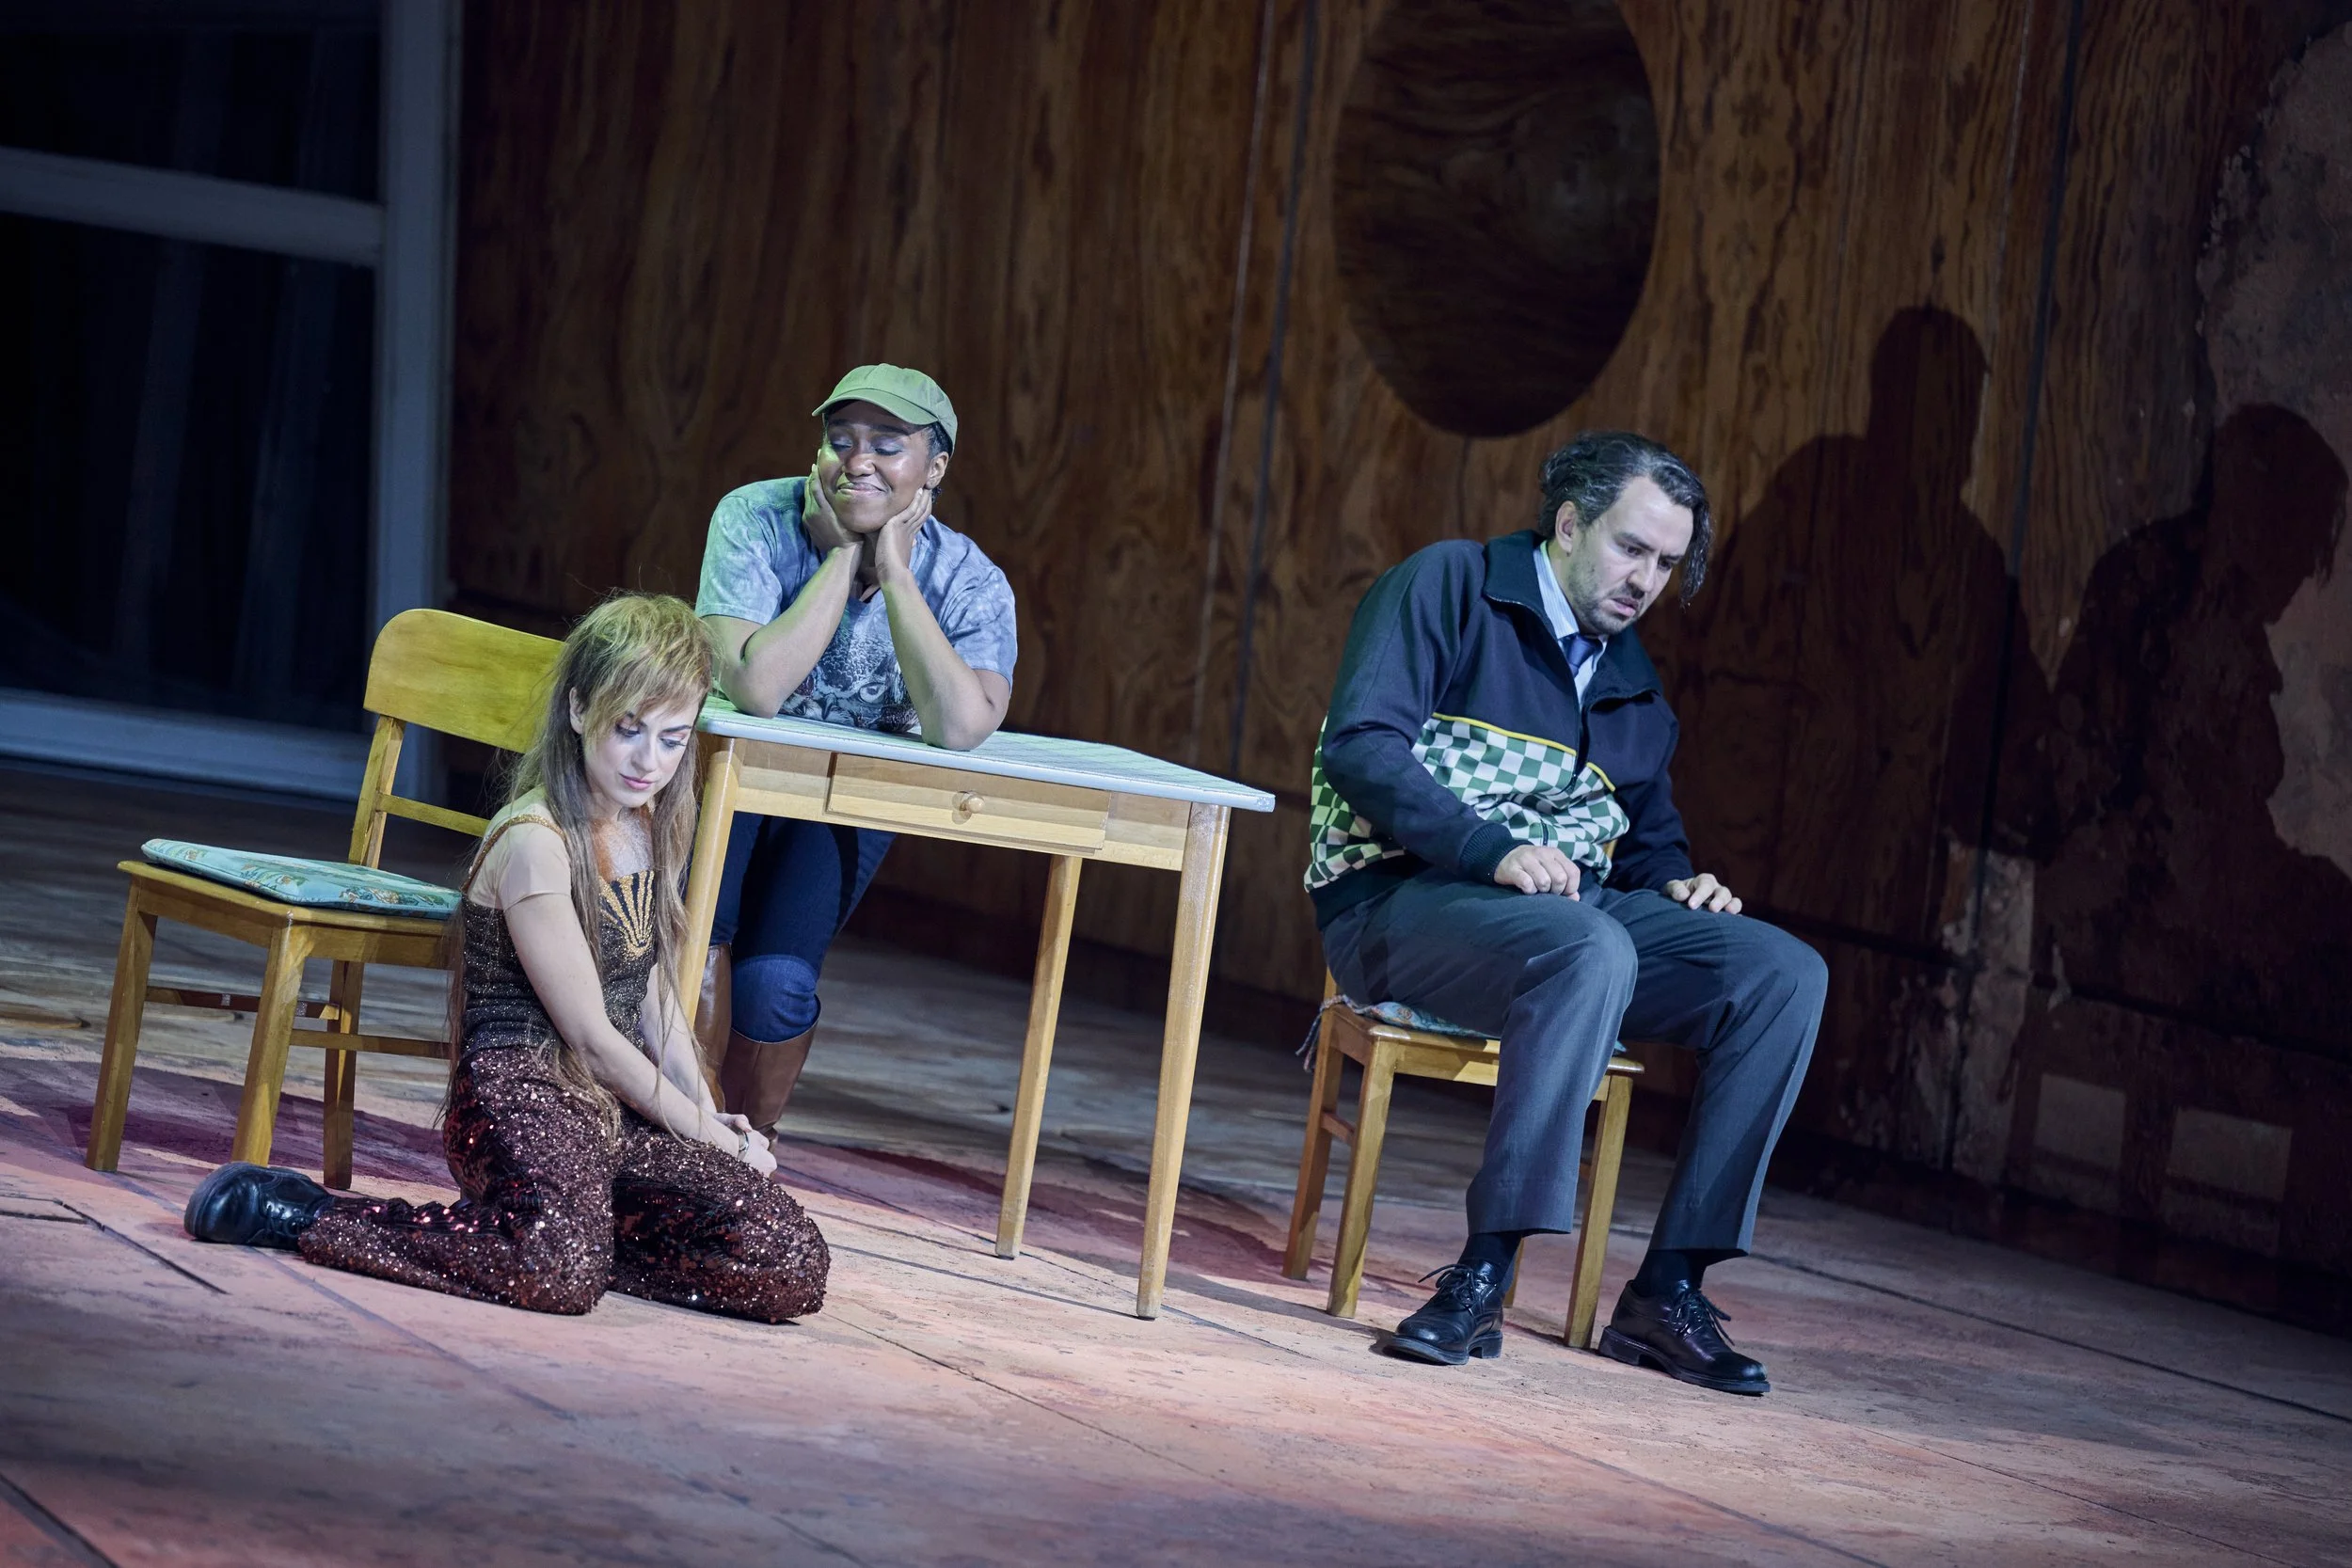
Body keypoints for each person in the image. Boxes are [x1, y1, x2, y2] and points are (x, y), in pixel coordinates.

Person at [1310, 432, 1825, 1393]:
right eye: (1632, 548)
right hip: (1397, 900)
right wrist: (1489, 847)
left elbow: (1646, 840)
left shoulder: (1633, 685)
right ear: (1570, 523)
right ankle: (1483, 1275)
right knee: (1589, 947)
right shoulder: (1453, 586)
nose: (1646, 581)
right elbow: (1362, 746)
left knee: (1780, 973)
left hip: (1559, 919)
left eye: (1666, 564)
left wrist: (1681, 884)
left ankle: (1669, 1288)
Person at [183, 594, 830, 1323]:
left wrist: (712, 1118)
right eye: (629, 729)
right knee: (560, 1271)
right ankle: (308, 1211)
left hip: (614, 1109)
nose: (649, 760)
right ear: (580, 708)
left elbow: (652, 991)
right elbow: (591, 1037)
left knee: (788, 1254)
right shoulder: (534, 840)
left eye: (672, 738)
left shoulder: (647, 820)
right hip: (526, 1094)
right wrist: (708, 1137)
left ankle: (564, 1231)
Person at [692, 365, 1017, 1131]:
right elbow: (757, 689)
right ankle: (669, 1129)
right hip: (728, 777)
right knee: (695, 946)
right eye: (840, 440)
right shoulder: (755, 518)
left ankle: (738, 1153)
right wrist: (841, 558)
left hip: (842, 799)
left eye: (887, 446)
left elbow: (961, 725)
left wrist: (895, 574)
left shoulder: (969, 580)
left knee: (775, 986)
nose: (857, 461)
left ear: (934, 468)